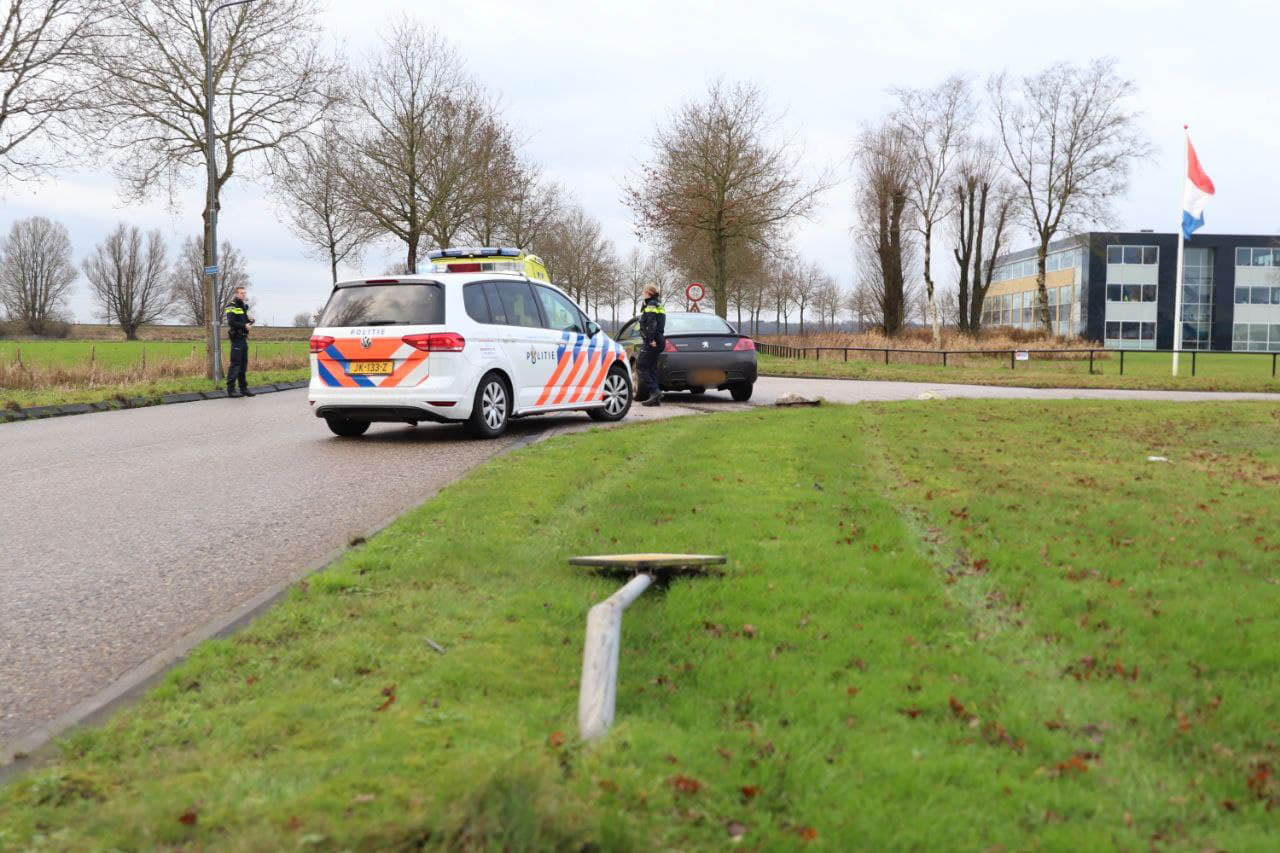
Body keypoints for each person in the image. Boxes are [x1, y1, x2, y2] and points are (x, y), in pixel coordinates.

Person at [637, 283, 666, 407]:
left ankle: (655, 392)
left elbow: (651, 323)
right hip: (659, 340)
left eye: (644, 291)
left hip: (653, 341)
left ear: (648, 293)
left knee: (641, 366)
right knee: (651, 368)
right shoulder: (658, 304)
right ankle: (655, 398)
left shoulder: (651, 304)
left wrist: (650, 340)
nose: (643, 294)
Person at [224, 285, 255, 398]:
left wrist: (251, 321)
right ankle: (230, 389)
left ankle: (243, 388)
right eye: (241, 293)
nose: (243, 295)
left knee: (243, 364)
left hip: (243, 338)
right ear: (236, 294)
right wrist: (244, 325)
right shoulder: (231, 306)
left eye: (244, 293)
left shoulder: (243, 307)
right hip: (236, 338)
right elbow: (231, 322)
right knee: (235, 364)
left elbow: (245, 321)